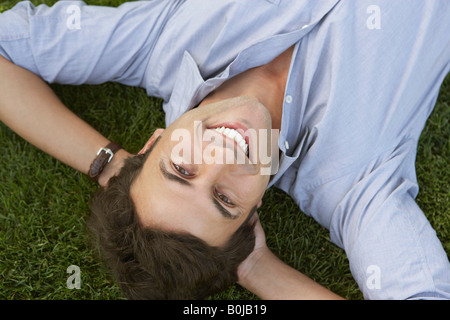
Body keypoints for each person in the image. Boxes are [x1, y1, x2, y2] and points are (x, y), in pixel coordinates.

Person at [1, 0, 449, 300]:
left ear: (154, 143)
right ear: (252, 216)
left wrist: (105, 163)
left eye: (180, 167)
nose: (222, 157)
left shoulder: (164, 44)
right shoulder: (354, 184)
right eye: (224, 199)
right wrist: (257, 268)